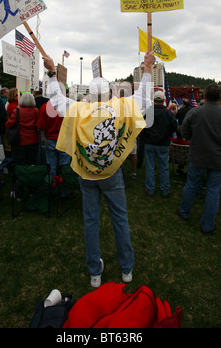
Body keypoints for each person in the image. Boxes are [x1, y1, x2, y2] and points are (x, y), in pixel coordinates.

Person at [42, 50, 156, 288]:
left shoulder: (79, 109)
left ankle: (95, 273)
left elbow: (56, 101)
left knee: (91, 221)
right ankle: (127, 270)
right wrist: (147, 67)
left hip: (86, 173)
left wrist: (52, 73)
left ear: (89, 95)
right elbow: (145, 97)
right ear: (109, 93)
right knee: (120, 219)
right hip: (112, 173)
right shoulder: (123, 106)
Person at [177, 84, 221, 235]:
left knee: (191, 185)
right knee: (213, 191)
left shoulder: (195, 112)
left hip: (199, 157)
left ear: (204, 96)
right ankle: (207, 225)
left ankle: (184, 212)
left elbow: (183, 131)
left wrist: (194, 140)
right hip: (218, 159)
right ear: (220, 97)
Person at [141, 90, 177, 197]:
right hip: (162, 144)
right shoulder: (168, 113)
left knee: (150, 167)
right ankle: (165, 190)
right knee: (164, 168)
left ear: (154, 100)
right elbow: (174, 127)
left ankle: (150, 189)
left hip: (150, 143)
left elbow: (142, 127)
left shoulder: (148, 112)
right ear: (163, 100)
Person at [37, 100, 72, 198]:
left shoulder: (45, 107)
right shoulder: (68, 106)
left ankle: (50, 191)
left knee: (52, 167)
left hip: (51, 140)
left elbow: (41, 126)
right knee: (64, 167)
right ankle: (65, 191)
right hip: (64, 140)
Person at [5, 92, 39, 165]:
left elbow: (8, 124)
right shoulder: (36, 111)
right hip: (33, 139)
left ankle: (20, 174)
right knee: (31, 161)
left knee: (19, 162)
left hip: (19, 140)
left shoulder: (17, 111)